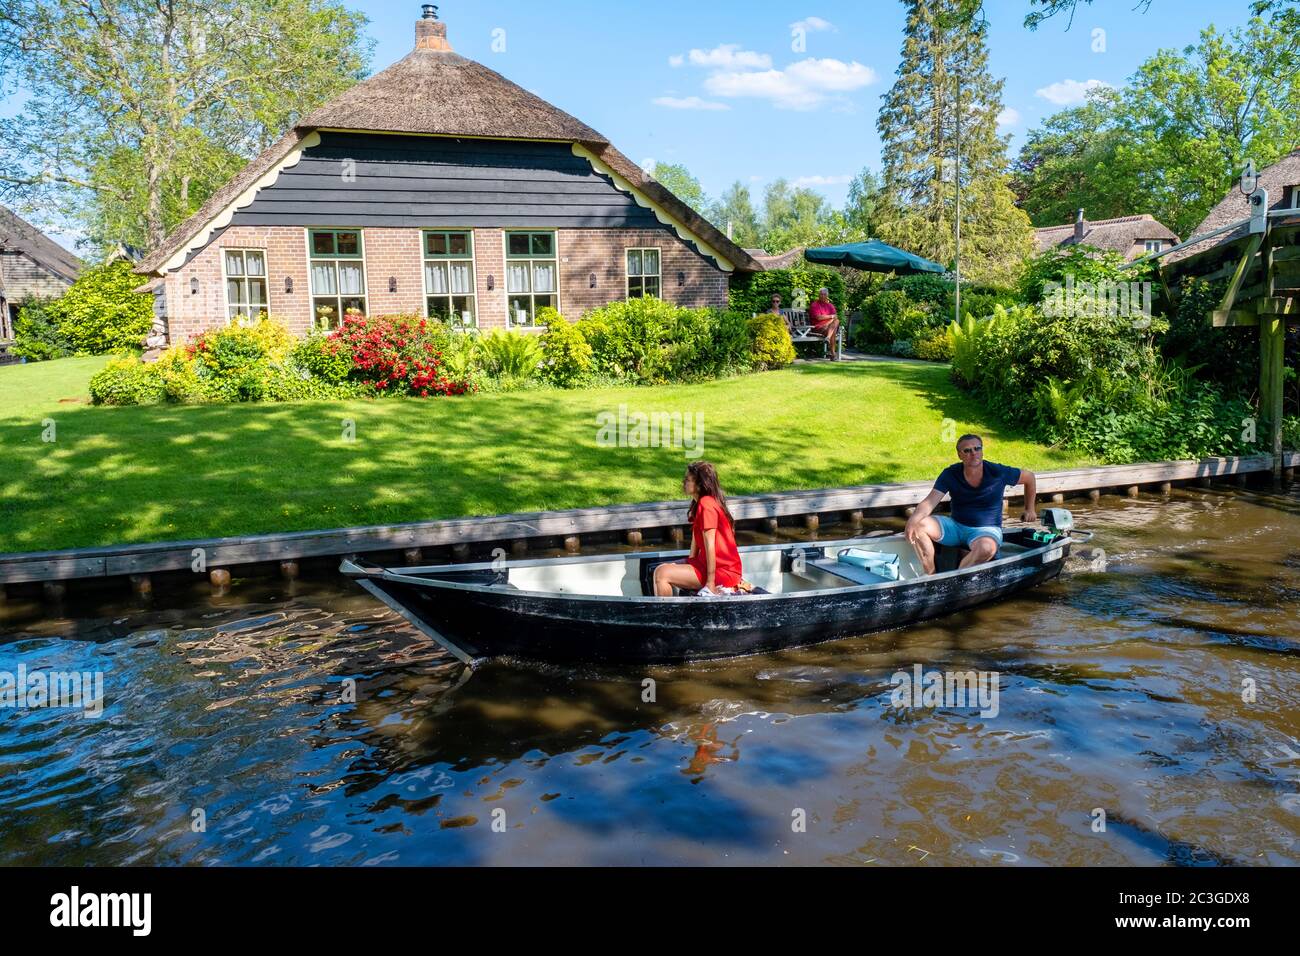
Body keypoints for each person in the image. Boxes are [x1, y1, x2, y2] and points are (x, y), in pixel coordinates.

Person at [904, 434, 1037, 575]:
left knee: (987, 548)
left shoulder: (998, 472)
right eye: (967, 451)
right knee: (918, 525)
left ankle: (955, 581)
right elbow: (929, 502)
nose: (973, 453)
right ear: (959, 455)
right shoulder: (951, 474)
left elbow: (1029, 477)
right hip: (955, 526)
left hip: (986, 530)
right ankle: (931, 577)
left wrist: (1030, 509)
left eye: (977, 448)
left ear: (982, 450)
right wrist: (912, 521)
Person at [654, 460, 744, 596]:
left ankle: (667, 616)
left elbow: (710, 546)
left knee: (662, 574)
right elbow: (696, 541)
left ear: (700, 485)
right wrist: (689, 563)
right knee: (660, 569)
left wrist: (710, 583)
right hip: (704, 564)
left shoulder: (706, 505)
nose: (684, 482)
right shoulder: (699, 504)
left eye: (688, 480)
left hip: (725, 571)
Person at [808, 287, 840, 359]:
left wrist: (830, 319)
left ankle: (828, 338)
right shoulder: (814, 305)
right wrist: (831, 316)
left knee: (836, 322)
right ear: (819, 295)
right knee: (834, 329)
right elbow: (819, 318)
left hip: (828, 327)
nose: (822, 296)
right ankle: (833, 354)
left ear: (827, 296)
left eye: (824, 294)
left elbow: (836, 317)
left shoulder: (830, 306)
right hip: (818, 328)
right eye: (821, 294)